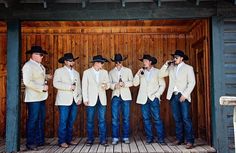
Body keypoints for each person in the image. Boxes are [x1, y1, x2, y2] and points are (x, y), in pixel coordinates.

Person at [159, 50, 196, 149]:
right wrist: (166, 65)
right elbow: (160, 75)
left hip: (183, 95)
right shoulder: (171, 68)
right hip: (173, 96)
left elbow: (192, 82)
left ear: (181, 58)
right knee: (177, 119)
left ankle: (190, 141)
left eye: (176, 57)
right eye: (174, 57)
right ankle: (180, 139)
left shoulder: (189, 68)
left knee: (186, 118)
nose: (174, 59)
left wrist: (185, 94)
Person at [22, 46, 52, 150]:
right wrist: (41, 88)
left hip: (41, 97)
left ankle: (40, 140)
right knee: (33, 120)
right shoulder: (28, 66)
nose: (42, 57)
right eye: (41, 55)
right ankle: (30, 143)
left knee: (40, 119)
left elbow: (38, 77)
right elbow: (27, 82)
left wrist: (46, 77)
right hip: (33, 98)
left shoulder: (39, 65)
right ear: (34, 55)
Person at [133, 54, 166, 145]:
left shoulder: (158, 72)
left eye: (145, 61)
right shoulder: (141, 72)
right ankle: (149, 138)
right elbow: (135, 84)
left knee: (157, 118)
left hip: (153, 98)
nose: (143, 63)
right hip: (143, 99)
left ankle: (160, 138)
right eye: (143, 61)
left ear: (150, 62)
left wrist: (157, 95)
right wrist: (137, 74)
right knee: (146, 119)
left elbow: (162, 85)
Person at [53, 53, 82, 148]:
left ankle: (69, 139)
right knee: (63, 121)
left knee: (71, 121)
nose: (72, 62)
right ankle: (62, 141)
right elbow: (56, 84)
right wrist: (69, 87)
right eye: (70, 60)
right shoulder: (59, 71)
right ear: (65, 61)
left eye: (73, 60)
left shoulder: (76, 73)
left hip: (75, 100)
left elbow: (79, 88)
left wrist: (80, 98)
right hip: (63, 100)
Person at [82, 55, 110, 146]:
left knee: (102, 120)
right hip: (90, 99)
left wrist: (106, 86)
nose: (103, 64)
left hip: (102, 99)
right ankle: (90, 139)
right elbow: (84, 87)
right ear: (96, 63)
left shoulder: (105, 72)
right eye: (102, 62)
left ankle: (103, 140)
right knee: (90, 120)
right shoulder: (87, 72)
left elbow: (108, 84)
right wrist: (85, 99)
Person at [109, 53, 133, 145]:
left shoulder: (128, 71)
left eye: (119, 61)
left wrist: (124, 84)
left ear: (122, 62)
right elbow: (109, 84)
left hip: (126, 97)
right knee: (115, 118)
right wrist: (115, 85)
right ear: (114, 62)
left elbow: (132, 82)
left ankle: (125, 137)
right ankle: (115, 137)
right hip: (115, 96)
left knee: (126, 118)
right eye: (116, 62)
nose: (118, 63)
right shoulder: (110, 72)